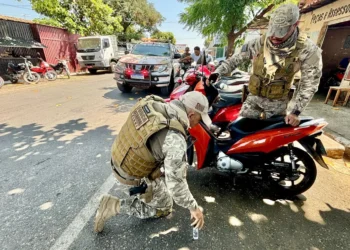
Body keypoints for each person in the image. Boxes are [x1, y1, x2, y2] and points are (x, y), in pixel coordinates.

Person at [94, 91, 211, 233]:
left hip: (118, 158)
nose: (197, 124)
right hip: (130, 177)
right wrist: (194, 208)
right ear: (191, 114)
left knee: (164, 170)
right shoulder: (174, 139)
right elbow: (176, 186)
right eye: (199, 119)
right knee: (165, 206)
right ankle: (113, 206)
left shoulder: (155, 104)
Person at [213, 4, 322, 127]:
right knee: (241, 138)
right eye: (272, 29)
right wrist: (217, 73)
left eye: (281, 31)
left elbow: (310, 83)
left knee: (272, 144)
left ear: (295, 25)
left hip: (276, 108)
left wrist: (295, 112)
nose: (274, 36)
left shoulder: (308, 50)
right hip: (252, 103)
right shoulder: (259, 43)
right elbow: (234, 60)